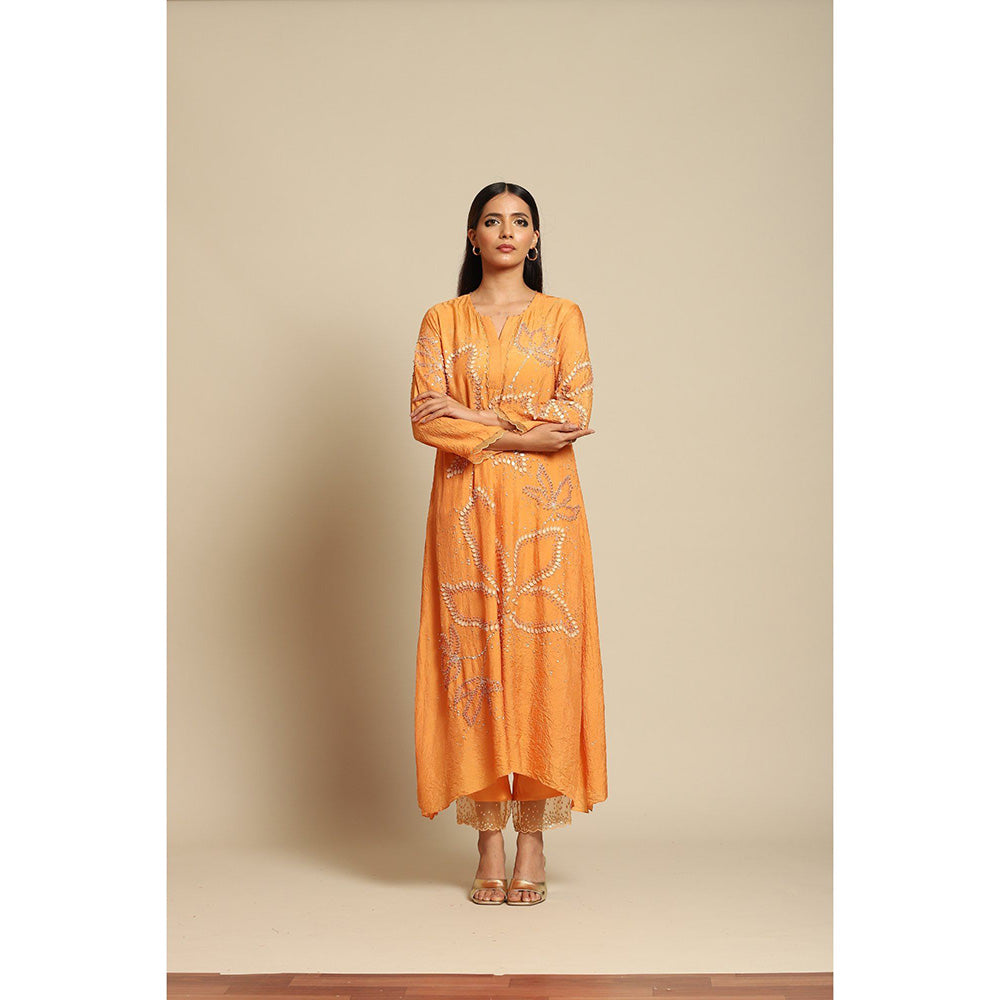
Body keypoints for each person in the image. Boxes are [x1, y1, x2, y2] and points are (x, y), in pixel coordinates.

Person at [409, 181, 608, 905]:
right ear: (472, 236)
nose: (506, 231)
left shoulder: (563, 316)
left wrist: (478, 417)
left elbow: (574, 412)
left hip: (544, 517)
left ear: (535, 238)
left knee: (541, 662)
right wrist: (521, 431)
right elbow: (425, 419)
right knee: (474, 665)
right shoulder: (442, 320)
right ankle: (487, 839)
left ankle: (532, 839)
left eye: (520, 222)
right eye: (492, 221)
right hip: (464, 513)